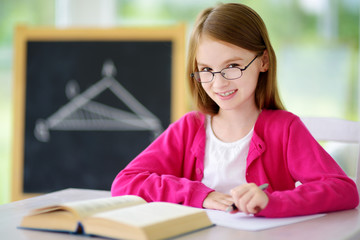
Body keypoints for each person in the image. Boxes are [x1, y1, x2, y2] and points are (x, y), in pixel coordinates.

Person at [111, 3, 359, 217]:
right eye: (206, 70)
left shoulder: (285, 128)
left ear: (263, 61)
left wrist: (273, 202)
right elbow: (125, 182)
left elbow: (343, 190)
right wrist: (201, 195)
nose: (219, 83)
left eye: (232, 66)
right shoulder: (189, 128)